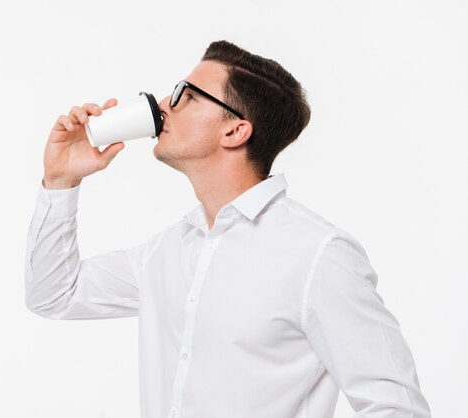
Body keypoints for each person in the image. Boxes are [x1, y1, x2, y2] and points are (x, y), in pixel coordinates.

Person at [24, 40, 431, 418]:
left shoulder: (318, 255)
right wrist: (61, 180)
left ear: (235, 130)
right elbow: (54, 294)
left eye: (187, 95)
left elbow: (396, 404)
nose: (164, 104)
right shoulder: (166, 251)